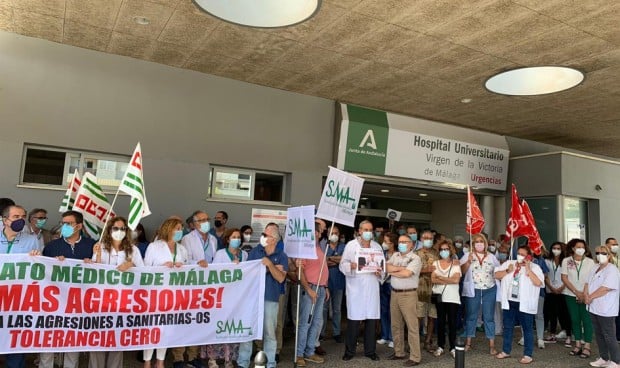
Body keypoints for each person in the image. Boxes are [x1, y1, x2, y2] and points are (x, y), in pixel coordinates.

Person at [143, 217, 207, 368]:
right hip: (156, 295)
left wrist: (195, 264)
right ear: (168, 229)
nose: (180, 231)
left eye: (181, 229)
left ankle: (160, 360)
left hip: (174, 296)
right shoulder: (154, 246)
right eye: (177, 228)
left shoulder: (182, 249)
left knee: (166, 329)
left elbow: (188, 267)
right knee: (152, 329)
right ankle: (147, 361)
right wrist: (161, 266)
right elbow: (144, 270)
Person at [41, 210, 96, 368]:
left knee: (73, 341)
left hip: (78, 302)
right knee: (48, 341)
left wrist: (93, 262)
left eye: (68, 223)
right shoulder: (52, 246)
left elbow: (100, 271)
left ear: (79, 226)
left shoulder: (91, 245)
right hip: (54, 302)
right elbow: (43, 271)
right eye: (62, 223)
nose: (64, 226)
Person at [88, 216, 145, 368]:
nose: (119, 231)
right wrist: (98, 255)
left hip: (122, 302)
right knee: (98, 338)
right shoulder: (100, 246)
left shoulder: (134, 250)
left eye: (122, 229)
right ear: (109, 230)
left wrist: (131, 264)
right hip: (101, 301)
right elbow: (95, 274)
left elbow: (144, 274)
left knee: (116, 339)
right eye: (115, 228)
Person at [237, 223, 288, 368]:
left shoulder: (282, 256)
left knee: (270, 333)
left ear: (274, 239)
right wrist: (268, 269)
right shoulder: (255, 252)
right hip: (252, 298)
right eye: (263, 235)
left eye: (266, 235)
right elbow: (247, 274)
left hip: (270, 299)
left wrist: (269, 265)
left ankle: (270, 363)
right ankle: (243, 362)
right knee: (248, 331)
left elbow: (280, 278)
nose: (263, 237)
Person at [1, 205, 40, 368]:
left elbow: (38, 270)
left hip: (18, 301)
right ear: (5, 220)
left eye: (23, 216)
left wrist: (36, 258)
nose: (21, 220)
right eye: (16, 216)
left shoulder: (31, 240)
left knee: (16, 339)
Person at [339, 220, 382, 361]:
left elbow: (383, 267)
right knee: (354, 321)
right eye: (365, 229)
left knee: (371, 321)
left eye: (370, 229)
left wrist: (380, 273)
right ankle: (350, 351)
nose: (368, 232)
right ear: (359, 230)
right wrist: (350, 265)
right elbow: (342, 264)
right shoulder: (351, 245)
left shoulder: (377, 246)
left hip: (371, 287)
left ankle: (370, 351)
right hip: (356, 288)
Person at [494, 245, 544, 364]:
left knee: (527, 328)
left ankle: (528, 354)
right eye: (519, 253)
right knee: (508, 327)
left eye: (523, 254)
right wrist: (507, 271)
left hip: (525, 303)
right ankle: (506, 351)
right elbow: (496, 275)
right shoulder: (510, 263)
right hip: (510, 301)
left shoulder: (534, 267)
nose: (520, 256)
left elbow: (539, 283)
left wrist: (528, 270)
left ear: (528, 256)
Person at [208, 228, 248, 368]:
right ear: (228, 239)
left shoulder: (245, 254)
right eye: (234, 237)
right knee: (219, 326)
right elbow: (215, 273)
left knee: (232, 328)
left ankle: (228, 359)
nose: (236, 239)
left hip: (238, 298)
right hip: (223, 296)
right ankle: (212, 358)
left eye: (238, 237)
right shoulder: (220, 254)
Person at [295, 220, 329, 367]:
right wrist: (308, 289)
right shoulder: (305, 249)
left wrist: (325, 287)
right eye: (320, 231)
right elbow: (300, 271)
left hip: (320, 288)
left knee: (315, 323)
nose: (321, 234)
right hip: (310, 288)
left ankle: (309, 352)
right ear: (314, 232)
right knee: (305, 323)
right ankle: (299, 353)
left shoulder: (318, 249)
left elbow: (321, 269)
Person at [386, 234, 422, 366]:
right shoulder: (395, 256)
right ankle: (399, 352)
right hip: (394, 293)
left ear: (411, 244)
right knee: (396, 325)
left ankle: (415, 357)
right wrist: (399, 269)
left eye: (405, 242)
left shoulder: (415, 258)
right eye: (400, 241)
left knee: (412, 326)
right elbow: (386, 266)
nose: (401, 244)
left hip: (408, 295)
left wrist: (392, 271)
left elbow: (407, 274)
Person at [461, 233, 499, 354]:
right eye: (476, 241)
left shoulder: (492, 257)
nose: (479, 244)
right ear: (473, 244)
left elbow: (498, 271)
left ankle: (492, 345)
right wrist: (468, 262)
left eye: (481, 241)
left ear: (485, 243)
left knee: (489, 317)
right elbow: (461, 271)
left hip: (490, 289)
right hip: (474, 289)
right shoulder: (468, 255)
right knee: (471, 316)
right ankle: (468, 343)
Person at [584, 244, 620, 368]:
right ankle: (604, 358)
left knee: (609, 335)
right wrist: (585, 295)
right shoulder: (594, 267)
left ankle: (616, 361)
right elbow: (587, 283)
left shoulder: (612, 270)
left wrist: (590, 297)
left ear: (609, 256)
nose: (600, 255)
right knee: (598, 334)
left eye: (604, 253)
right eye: (598, 253)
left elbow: (605, 288)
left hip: (606, 308)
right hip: (593, 307)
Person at [561, 238, 595, 358]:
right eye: (578, 247)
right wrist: (576, 292)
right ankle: (578, 344)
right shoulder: (566, 261)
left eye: (583, 247)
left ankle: (587, 346)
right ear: (573, 248)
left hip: (586, 295)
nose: (581, 249)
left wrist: (583, 294)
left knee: (586, 320)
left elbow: (591, 279)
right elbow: (564, 278)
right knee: (575, 319)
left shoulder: (591, 262)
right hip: (570, 294)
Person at [431, 240, 462, 358]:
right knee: (440, 322)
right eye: (442, 249)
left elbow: (456, 280)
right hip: (440, 297)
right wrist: (447, 279)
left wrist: (441, 278)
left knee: (452, 323)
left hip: (453, 297)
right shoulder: (435, 263)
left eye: (446, 249)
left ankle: (453, 347)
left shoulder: (455, 263)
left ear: (450, 250)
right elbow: (433, 279)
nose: (444, 251)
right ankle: (440, 346)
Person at [543, 242, 571, 345]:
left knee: (564, 314)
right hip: (550, 291)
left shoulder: (567, 262)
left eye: (558, 248)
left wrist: (562, 287)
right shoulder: (547, 261)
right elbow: (545, 276)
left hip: (563, 291)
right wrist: (551, 287)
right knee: (552, 314)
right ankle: (552, 334)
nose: (556, 250)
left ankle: (568, 335)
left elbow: (568, 276)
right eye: (554, 248)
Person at [322, 225, 346, 343]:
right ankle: (321, 332)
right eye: (332, 233)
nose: (334, 235)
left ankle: (337, 333)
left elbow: (344, 260)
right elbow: (322, 262)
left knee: (337, 309)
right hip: (325, 282)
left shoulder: (343, 246)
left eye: (336, 233)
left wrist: (329, 259)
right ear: (327, 233)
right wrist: (335, 260)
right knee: (323, 309)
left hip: (339, 282)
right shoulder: (323, 246)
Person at [416, 230, 438, 352]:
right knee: (418, 317)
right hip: (420, 289)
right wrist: (425, 270)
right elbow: (411, 271)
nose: (428, 240)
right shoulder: (415, 254)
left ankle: (428, 341)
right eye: (425, 237)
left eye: (430, 238)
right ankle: (414, 343)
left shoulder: (437, 253)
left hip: (433, 290)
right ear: (421, 239)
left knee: (432, 316)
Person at [377, 232, 397, 348]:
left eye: (387, 242)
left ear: (393, 243)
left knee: (393, 312)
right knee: (384, 311)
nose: (384, 244)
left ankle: (393, 337)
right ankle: (384, 336)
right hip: (382, 284)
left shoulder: (398, 254)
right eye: (383, 241)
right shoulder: (381, 253)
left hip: (393, 285)